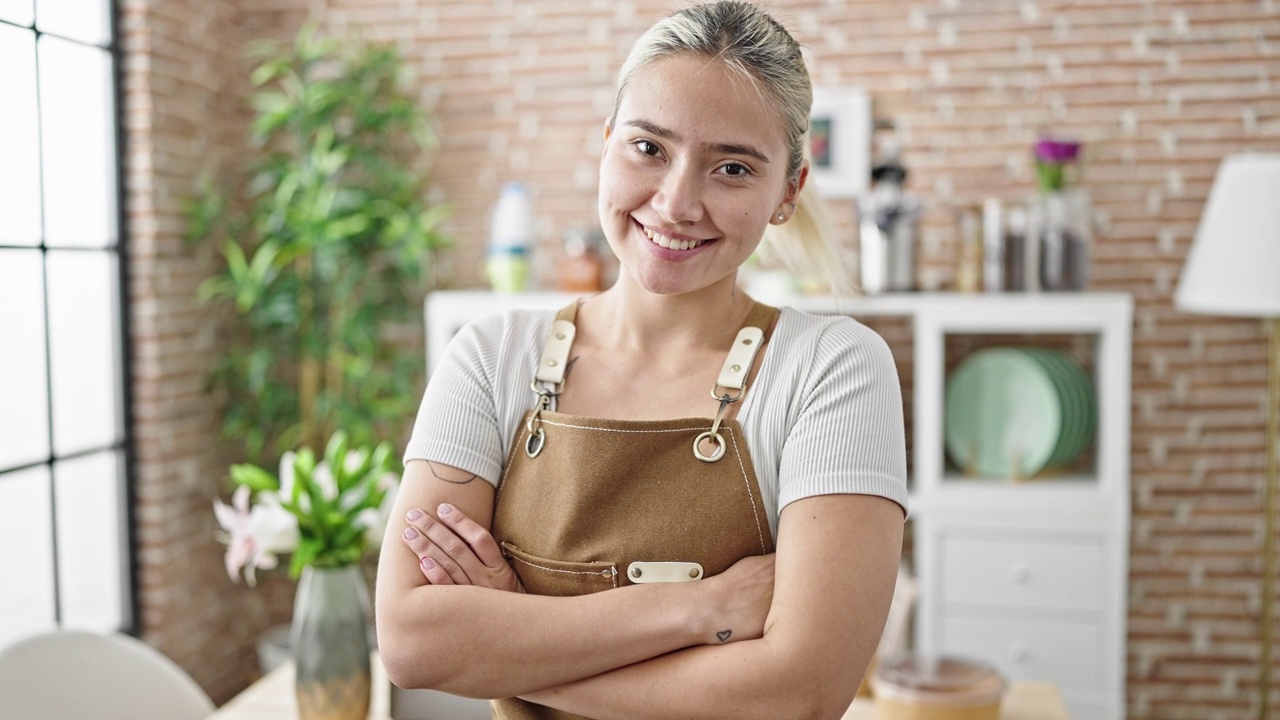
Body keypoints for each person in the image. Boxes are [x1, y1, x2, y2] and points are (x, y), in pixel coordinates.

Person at [375, 2, 908, 718]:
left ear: (788, 192)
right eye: (649, 149)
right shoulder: (488, 356)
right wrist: (701, 609)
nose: (676, 201)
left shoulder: (832, 370)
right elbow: (412, 641)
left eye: (731, 167)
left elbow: (800, 695)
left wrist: (507, 641)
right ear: (605, 144)